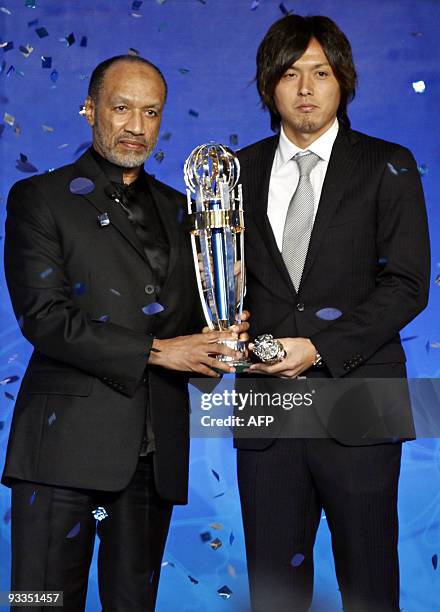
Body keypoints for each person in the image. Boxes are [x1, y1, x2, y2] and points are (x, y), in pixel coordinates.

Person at [2, 54, 247, 612]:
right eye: (121, 108)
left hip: (151, 458)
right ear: (90, 110)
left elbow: (192, 333)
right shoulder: (40, 199)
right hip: (59, 457)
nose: (136, 126)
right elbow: (44, 316)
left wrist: (218, 338)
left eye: (151, 112)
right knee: (38, 603)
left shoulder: (185, 212)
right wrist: (162, 350)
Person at [235, 15, 430, 612]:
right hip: (266, 406)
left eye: (320, 73)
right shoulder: (234, 172)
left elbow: (407, 285)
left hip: (361, 401)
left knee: (370, 588)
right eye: (290, 74)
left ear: (343, 81)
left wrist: (318, 346)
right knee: (274, 593)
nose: (305, 89)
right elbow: (215, 285)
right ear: (269, 86)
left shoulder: (387, 164)